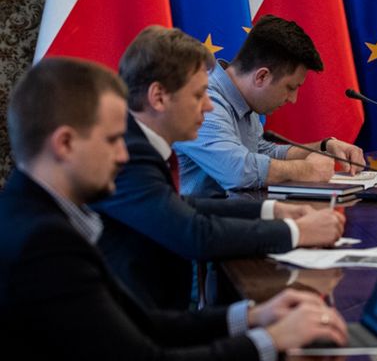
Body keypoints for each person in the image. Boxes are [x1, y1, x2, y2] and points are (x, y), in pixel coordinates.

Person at [0, 57, 347, 359]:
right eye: (112, 140)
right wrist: (270, 341)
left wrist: (252, 317)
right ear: (64, 144)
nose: (122, 155)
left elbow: (141, 323)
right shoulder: (44, 242)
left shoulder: (34, 211)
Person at [90, 27, 345, 310]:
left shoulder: (139, 145)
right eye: (199, 94)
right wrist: (294, 231)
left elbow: (182, 204)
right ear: (159, 97)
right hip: (139, 313)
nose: (209, 106)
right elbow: (195, 234)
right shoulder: (126, 154)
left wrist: (272, 211)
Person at [177, 16, 366, 198]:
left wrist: (325, 146)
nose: (293, 99)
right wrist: (306, 170)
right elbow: (236, 171)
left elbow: (265, 153)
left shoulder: (245, 99)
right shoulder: (203, 98)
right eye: (290, 88)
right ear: (262, 76)